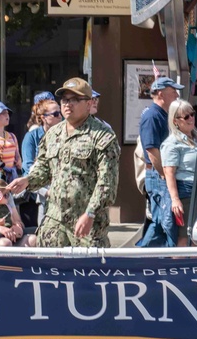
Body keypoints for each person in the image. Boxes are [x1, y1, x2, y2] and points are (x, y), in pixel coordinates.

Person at [8, 77, 119, 247]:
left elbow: (107, 184)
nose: (68, 104)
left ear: (89, 104)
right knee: (48, 268)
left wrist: (90, 213)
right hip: (55, 218)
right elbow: (43, 168)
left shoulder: (103, 136)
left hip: (86, 221)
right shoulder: (53, 134)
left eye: (75, 99)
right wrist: (27, 180)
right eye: (65, 99)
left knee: (89, 271)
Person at [137, 77, 183, 247]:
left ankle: (144, 255)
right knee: (165, 221)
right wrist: (165, 174)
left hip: (161, 174)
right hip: (158, 176)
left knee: (160, 222)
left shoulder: (163, 115)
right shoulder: (152, 116)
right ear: (161, 94)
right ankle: (144, 254)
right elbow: (152, 150)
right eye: (173, 92)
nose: (177, 95)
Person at [158, 99, 197, 246]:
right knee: (186, 237)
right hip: (186, 193)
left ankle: (196, 267)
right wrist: (175, 200)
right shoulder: (172, 143)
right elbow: (168, 173)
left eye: (192, 114)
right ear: (176, 121)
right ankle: (179, 267)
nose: (191, 118)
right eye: (186, 116)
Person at [22, 93, 59, 173]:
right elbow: (27, 165)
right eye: (55, 114)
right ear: (43, 117)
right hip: (35, 181)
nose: (60, 117)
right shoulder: (31, 136)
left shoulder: (63, 134)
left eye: (60, 113)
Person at [0, 100, 22, 181]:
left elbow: (18, 161)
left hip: (11, 179)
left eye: (8, 113)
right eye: (3, 113)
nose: (7, 115)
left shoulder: (12, 136)